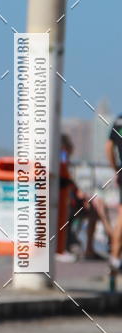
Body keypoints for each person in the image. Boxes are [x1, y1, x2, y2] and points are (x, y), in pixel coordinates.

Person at [57, 134, 112, 261]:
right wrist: (80, 195)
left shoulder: (62, 159)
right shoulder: (62, 157)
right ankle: (110, 240)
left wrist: (80, 194)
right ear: (66, 148)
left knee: (98, 205)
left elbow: (69, 182)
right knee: (96, 207)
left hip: (70, 200)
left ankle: (99, 245)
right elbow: (66, 181)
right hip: (65, 202)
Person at [105, 114, 122, 270]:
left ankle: (115, 259)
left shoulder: (118, 121)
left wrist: (116, 168)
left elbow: (109, 147)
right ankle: (115, 259)